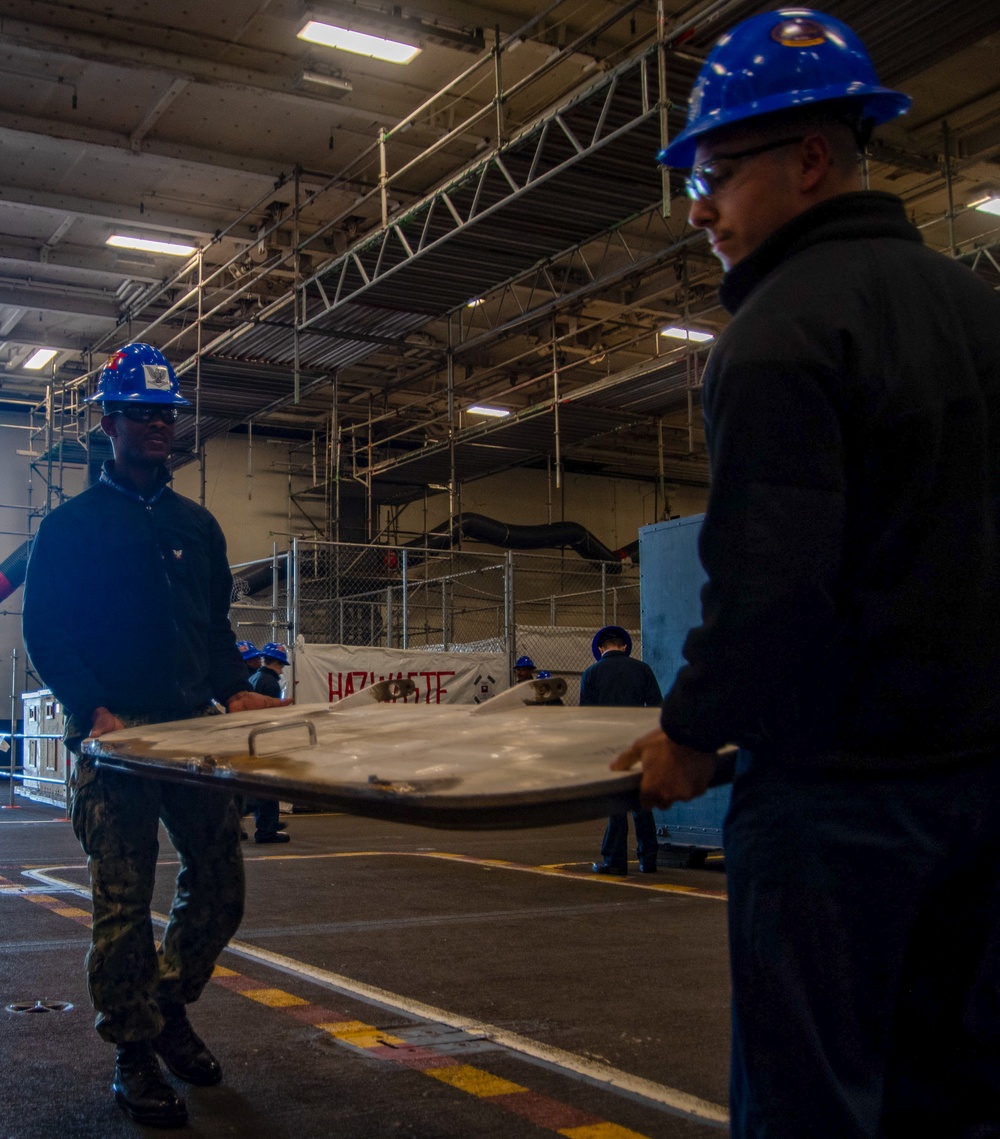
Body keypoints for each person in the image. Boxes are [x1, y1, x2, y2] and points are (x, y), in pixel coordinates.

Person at [612, 10, 1000, 1137]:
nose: (700, 208)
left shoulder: (779, 332)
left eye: (719, 174)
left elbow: (770, 581)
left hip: (839, 803)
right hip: (982, 787)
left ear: (811, 160)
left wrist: (691, 729)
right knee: (963, 1092)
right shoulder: (980, 314)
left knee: (809, 1102)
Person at [21, 343, 289, 1129]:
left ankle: (168, 1002)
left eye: (167, 414)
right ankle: (133, 1050)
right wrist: (90, 708)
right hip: (114, 735)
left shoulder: (196, 526)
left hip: (187, 731)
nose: (158, 426)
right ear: (108, 421)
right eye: (141, 413)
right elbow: (46, 627)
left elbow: (211, 626)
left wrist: (234, 687)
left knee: (220, 881)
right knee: (122, 901)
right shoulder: (69, 527)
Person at [581, 626, 662, 875]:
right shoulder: (643, 669)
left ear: (601, 648)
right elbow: (656, 707)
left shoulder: (591, 673)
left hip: (608, 745)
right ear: (624, 646)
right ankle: (648, 859)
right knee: (641, 800)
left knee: (616, 802)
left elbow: (585, 715)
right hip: (637, 742)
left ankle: (615, 860)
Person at [244, 642, 291, 844]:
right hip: (264, 740)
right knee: (269, 788)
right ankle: (266, 829)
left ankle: (265, 821)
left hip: (252, 739)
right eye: (281, 665)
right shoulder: (270, 683)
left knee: (258, 787)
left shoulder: (255, 678)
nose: (281, 670)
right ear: (277, 663)